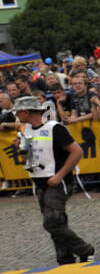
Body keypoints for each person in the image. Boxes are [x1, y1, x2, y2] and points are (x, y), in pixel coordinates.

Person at [12, 96, 95, 264]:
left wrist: (60, 175)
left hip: (57, 181)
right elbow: (28, 154)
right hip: (39, 181)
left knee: (52, 222)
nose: (17, 115)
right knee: (57, 222)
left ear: (26, 112)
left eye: (18, 112)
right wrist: (21, 148)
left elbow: (77, 152)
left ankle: (84, 249)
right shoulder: (25, 129)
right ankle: (64, 257)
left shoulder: (54, 128)